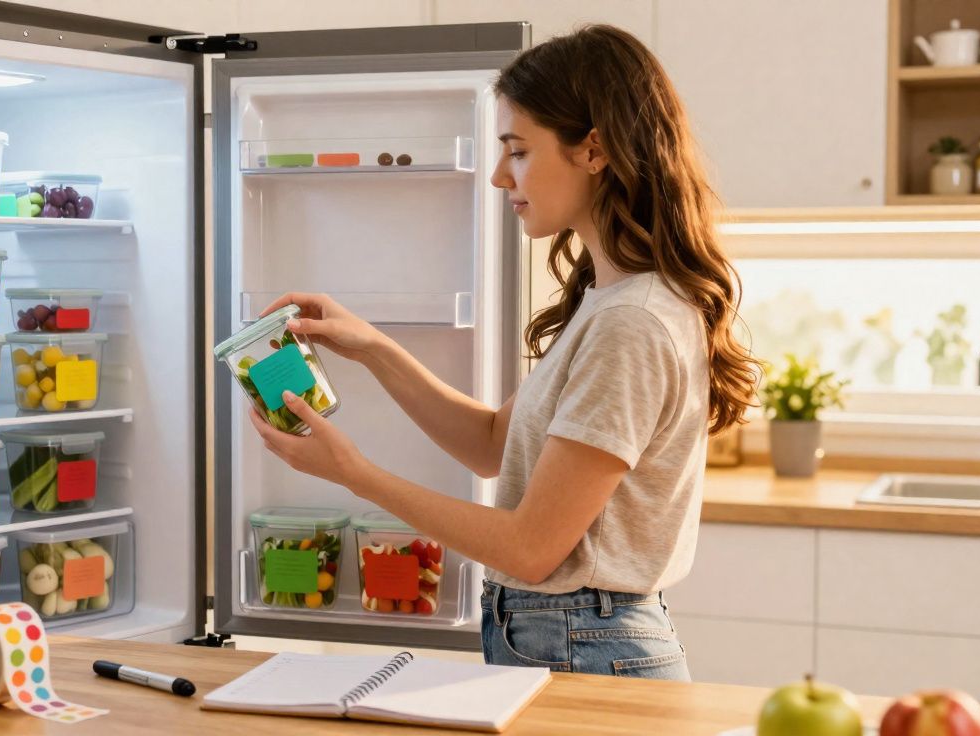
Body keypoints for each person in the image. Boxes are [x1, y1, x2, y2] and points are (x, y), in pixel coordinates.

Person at [249, 24, 759, 679]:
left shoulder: (633, 321)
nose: (498, 176)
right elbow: (494, 441)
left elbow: (531, 549)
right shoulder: (609, 302)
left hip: (586, 646)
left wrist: (354, 473)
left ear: (594, 150)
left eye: (517, 150)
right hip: (571, 639)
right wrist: (374, 349)